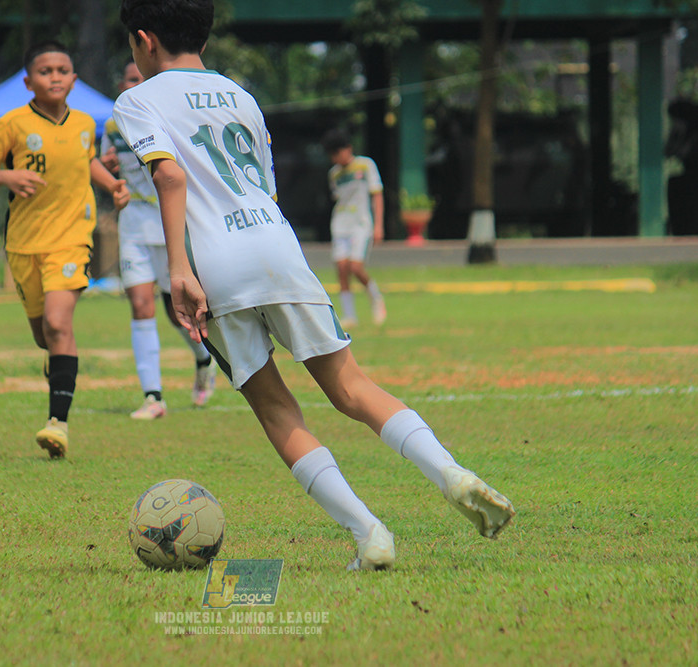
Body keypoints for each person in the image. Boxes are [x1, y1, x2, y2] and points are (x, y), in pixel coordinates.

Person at [113, 0, 515, 570]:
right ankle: (449, 470)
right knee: (350, 385)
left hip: (217, 262)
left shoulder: (137, 98)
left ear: (144, 40)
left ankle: (367, 530)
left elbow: (170, 174)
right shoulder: (241, 95)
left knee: (278, 410)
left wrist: (179, 269)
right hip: (277, 244)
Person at [0, 40, 130, 459]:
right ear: (28, 82)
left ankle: (57, 423)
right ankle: (59, 369)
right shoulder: (14, 123)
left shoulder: (84, 122)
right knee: (45, 336)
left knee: (60, 325)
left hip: (72, 238)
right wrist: (8, 179)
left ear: (74, 79)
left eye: (62, 70)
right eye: (45, 71)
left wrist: (110, 183)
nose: (55, 77)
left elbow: (87, 159)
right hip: (24, 244)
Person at [101, 61, 218, 420]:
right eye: (131, 79)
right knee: (141, 305)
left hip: (170, 224)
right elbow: (99, 162)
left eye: (142, 79)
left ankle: (204, 358)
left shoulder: (169, 117)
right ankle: (153, 397)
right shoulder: (113, 124)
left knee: (174, 311)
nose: (137, 84)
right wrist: (109, 174)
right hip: (134, 222)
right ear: (122, 83)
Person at [322, 128, 387, 327]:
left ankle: (376, 298)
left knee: (356, 267)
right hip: (340, 224)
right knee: (342, 268)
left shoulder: (365, 165)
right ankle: (350, 315)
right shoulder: (334, 174)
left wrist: (378, 225)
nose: (336, 158)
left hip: (361, 224)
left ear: (348, 148)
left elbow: (376, 194)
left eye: (338, 152)